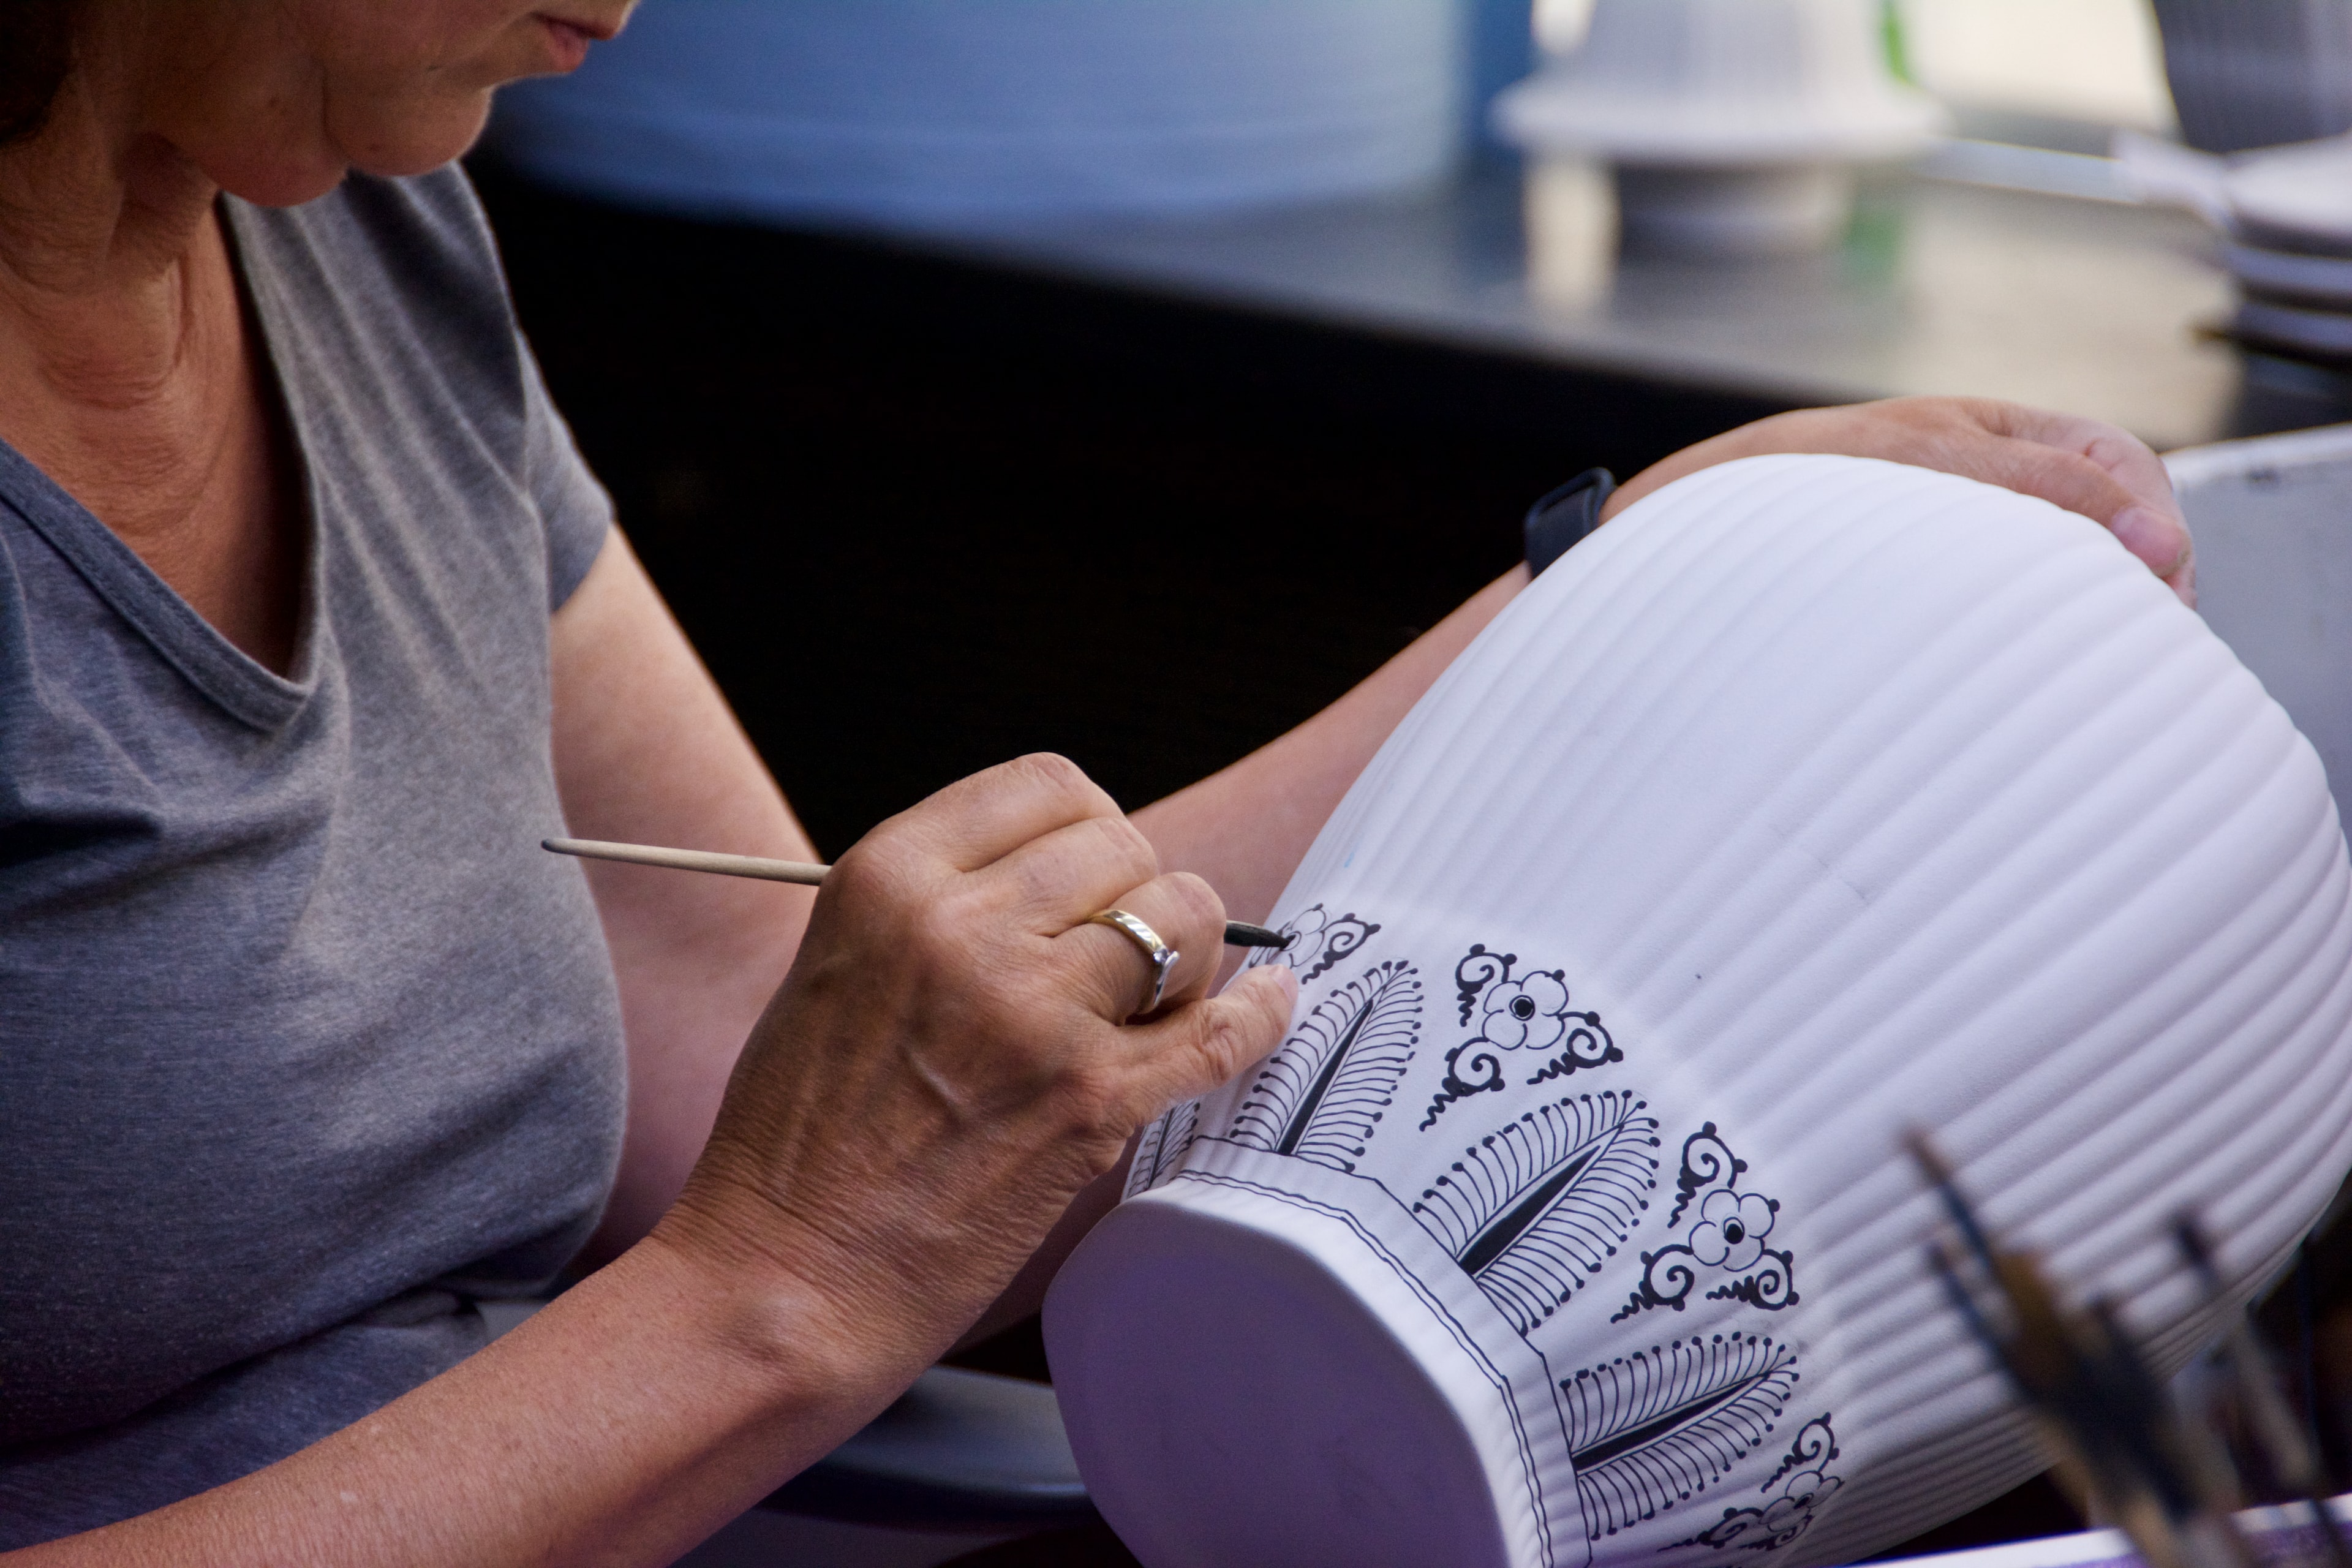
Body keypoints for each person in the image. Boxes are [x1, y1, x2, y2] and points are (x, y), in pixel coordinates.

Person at [0, 1, 2196, 1561]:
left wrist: (1606, 591)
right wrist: (775, 1300)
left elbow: (765, 1076)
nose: (627, 7)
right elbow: (797, 1224)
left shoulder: (351, 209)